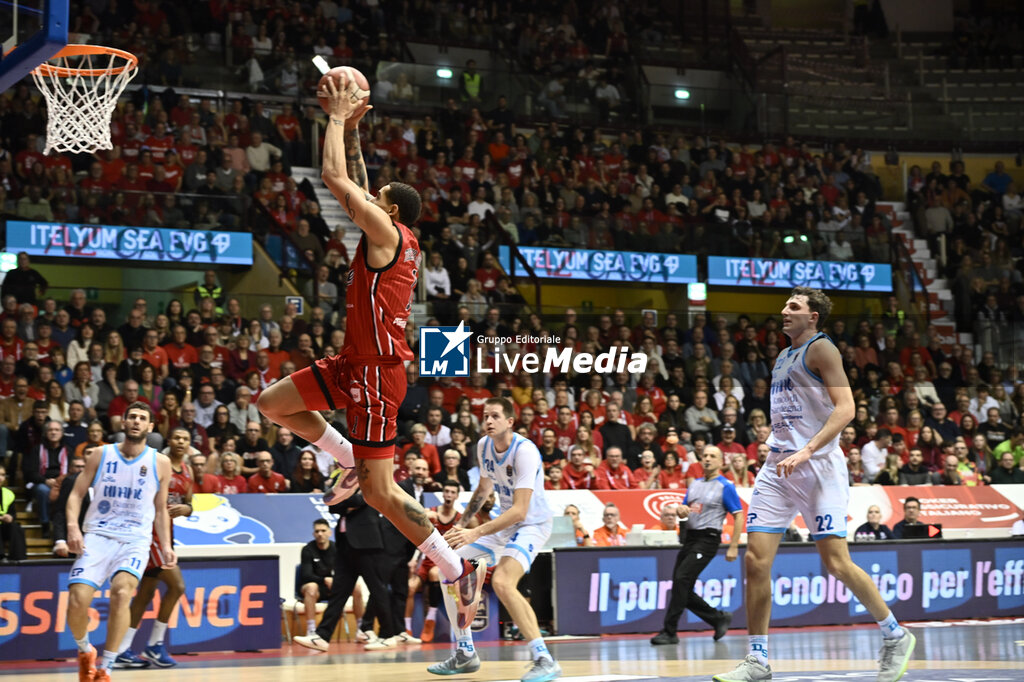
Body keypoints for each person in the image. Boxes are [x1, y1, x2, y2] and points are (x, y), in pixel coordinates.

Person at [257, 72, 484, 630]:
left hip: (379, 375)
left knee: (383, 495)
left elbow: (336, 177)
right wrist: (356, 129)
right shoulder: (387, 233)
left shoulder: (387, 236)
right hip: (351, 362)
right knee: (271, 402)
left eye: (375, 200)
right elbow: (356, 175)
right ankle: (346, 461)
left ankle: (457, 569)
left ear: (391, 215)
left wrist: (333, 116)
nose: (366, 198)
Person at [715, 288, 914, 682]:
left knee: (836, 563)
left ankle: (895, 634)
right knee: (755, 561)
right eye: (786, 305)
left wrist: (806, 449)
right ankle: (757, 660)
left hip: (818, 465)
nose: (783, 311)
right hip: (778, 464)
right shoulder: (783, 355)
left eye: (794, 306)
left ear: (814, 317)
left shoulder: (823, 350)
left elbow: (847, 409)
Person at [428, 397, 560, 681]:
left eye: (495, 416)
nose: (488, 421)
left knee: (502, 582)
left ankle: (544, 658)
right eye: (485, 416)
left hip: (531, 524)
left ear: (510, 422)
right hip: (503, 521)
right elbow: (482, 490)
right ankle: (465, 651)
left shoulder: (525, 451)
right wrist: (461, 527)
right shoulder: (483, 446)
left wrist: (474, 531)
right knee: (447, 567)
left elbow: (520, 510)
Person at [64, 403, 174, 682]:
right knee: (77, 600)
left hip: (135, 539)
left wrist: (167, 545)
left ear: (150, 427)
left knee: (122, 593)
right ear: (123, 423)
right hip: (97, 535)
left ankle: (107, 667)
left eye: (142, 418)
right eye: (132, 417)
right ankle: (85, 650)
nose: (136, 421)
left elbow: (161, 509)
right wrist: (73, 529)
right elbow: (76, 495)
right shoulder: (101, 454)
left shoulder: (160, 462)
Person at [115, 427, 194, 669]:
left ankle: (122, 650)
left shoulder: (187, 472)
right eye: (177, 438)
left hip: (166, 534)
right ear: (169, 441)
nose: (181, 442)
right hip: (149, 534)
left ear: (189, 444)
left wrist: (188, 509)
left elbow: (189, 502)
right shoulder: (156, 463)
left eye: (186, 439)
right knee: (177, 585)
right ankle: (155, 645)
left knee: (146, 593)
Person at [651, 445, 739, 645]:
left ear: (720, 461)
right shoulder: (695, 485)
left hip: (707, 539)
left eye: (712, 456)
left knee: (682, 579)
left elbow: (738, 515)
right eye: (705, 456)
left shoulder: (726, 486)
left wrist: (733, 545)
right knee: (681, 585)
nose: (707, 459)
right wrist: (681, 510)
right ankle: (717, 618)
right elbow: (686, 509)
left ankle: (670, 631)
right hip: (690, 537)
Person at [292, 483, 395, 652]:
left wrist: (346, 502)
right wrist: (347, 504)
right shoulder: (345, 481)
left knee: (378, 589)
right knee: (338, 594)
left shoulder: (369, 480)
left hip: (367, 544)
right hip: (345, 546)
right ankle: (322, 636)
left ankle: (388, 635)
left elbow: (364, 499)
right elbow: (332, 505)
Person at [407, 479, 462, 642]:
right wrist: (413, 560)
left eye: (452, 492)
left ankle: (430, 620)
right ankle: (407, 629)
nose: (449, 495)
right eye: (446, 491)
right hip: (427, 558)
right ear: (442, 494)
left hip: (445, 560)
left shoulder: (459, 518)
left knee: (434, 574)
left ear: (457, 496)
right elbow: (418, 536)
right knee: (410, 588)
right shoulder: (431, 512)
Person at [298, 519, 336, 638]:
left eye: (323, 531)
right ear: (314, 534)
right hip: (315, 588)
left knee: (357, 587)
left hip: (333, 587)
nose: (320, 534)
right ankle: (311, 629)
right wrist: (324, 579)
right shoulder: (308, 549)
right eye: (317, 531)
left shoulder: (337, 548)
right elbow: (306, 575)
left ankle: (362, 629)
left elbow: (345, 570)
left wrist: (335, 580)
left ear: (329, 532)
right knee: (311, 587)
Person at [0, 464, 27, 562]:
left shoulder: (8, 493)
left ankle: (19, 558)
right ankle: (1, 557)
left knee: (16, 527)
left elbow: (13, 513)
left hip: (3, 526)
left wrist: (10, 517)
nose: (1, 478)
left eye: (3, 475)